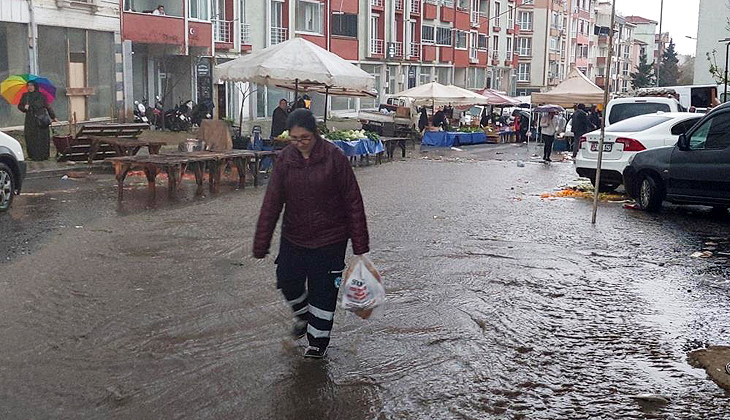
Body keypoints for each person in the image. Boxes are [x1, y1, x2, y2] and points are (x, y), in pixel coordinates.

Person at [253, 109, 369, 359]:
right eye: (294, 139)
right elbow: (272, 202)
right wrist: (261, 242)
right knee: (286, 279)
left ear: (315, 134)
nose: (300, 143)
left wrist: (360, 248)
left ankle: (317, 344)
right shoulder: (285, 160)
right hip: (294, 236)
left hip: (331, 239)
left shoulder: (335, 158)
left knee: (324, 293)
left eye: (304, 138)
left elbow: (353, 202)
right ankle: (303, 316)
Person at [18, 81, 57, 161]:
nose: (30, 87)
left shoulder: (41, 96)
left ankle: (43, 156)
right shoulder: (25, 96)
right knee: (30, 137)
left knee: (42, 138)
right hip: (30, 120)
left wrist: (53, 117)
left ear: (35, 86)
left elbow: (47, 106)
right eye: (28, 85)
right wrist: (24, 107)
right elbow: (20, 106)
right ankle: (32, 155)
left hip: (41, 120)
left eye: (32, 85)